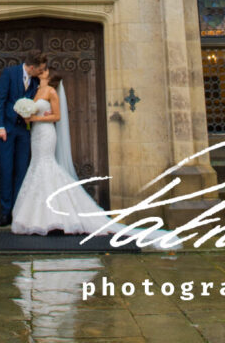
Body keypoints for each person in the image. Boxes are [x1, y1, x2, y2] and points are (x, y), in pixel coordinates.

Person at [11, 66, 181, 249]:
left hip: (46, 134)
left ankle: (57, 217)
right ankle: (39, 218)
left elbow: (57, 116)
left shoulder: (51, 91)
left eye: (44, 71)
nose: (41, 71)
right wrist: (27, 116)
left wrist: (35, 119)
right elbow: (33, 113)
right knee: (37, 167)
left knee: (46, 167)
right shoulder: (37, 90)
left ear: (50, 77)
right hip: (35, 135)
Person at [0, 49, 47, 226]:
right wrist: (0, 126)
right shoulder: (10, 73)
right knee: (7, 170)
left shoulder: (35, 81)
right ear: (31, 67)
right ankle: (6, 212)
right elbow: (0, 100)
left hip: (24, 130)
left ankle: (19, 210)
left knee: (22, 171)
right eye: (40, 69)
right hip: (7, 130)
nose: (41, 72)